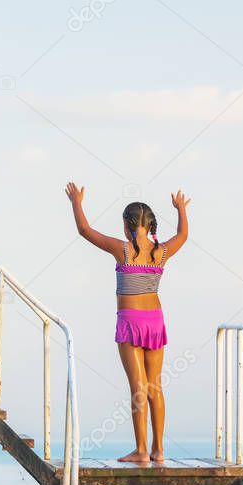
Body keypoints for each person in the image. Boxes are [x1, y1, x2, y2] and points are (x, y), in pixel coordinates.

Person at [65, 183, 191, 463]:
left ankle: (142, 450)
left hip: (131, 322)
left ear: (127, 225)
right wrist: (181, 209)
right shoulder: (161, 252)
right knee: (155, 385)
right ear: (151, 225)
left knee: (138, 386)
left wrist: (76, 202)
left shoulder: (123, 250)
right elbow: (183, 234)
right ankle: (159, 450)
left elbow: (85, 231)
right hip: (156, 321)